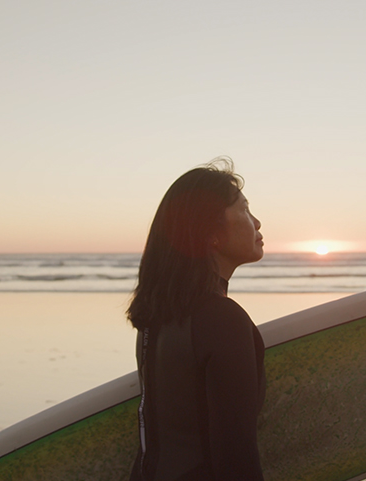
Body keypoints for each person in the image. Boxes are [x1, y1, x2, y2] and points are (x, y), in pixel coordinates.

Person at [127, 159, 266, 480]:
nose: (257, 222)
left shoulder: (157, 317)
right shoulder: (222, 319)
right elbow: (236, 455)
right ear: (212, 234)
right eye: (244, 210)